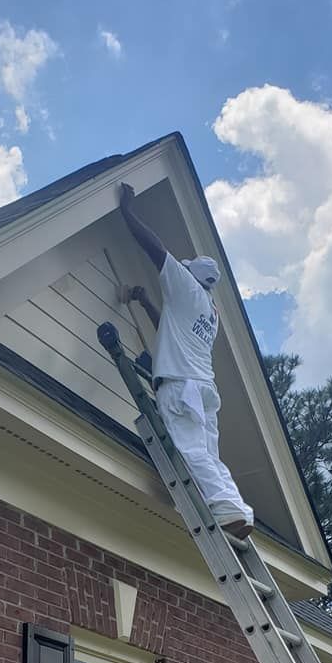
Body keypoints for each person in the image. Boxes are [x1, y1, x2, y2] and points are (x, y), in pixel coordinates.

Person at [118, 182, 254, 537]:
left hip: (181, 387)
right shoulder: (209, 311)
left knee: (190, 450)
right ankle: (236, 508)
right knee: (209, 455)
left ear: (193, 274)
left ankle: (225, 508)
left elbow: (156, 249)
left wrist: (127, 212)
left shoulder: (187, 286)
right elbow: (168, 328)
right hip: (204, 390)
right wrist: (146, 301)